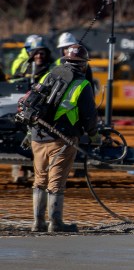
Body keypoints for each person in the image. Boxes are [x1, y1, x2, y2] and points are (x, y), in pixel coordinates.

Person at [29, 44, 99, 232]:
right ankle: (56, 222)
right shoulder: (82, 84)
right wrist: (94, 135)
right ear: (84, 64)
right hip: (63, 138)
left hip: (37, 135)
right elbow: (89, 116)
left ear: (65, 60)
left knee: (39, 178)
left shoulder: (48, 75)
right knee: (56, 180)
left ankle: (38, 222)